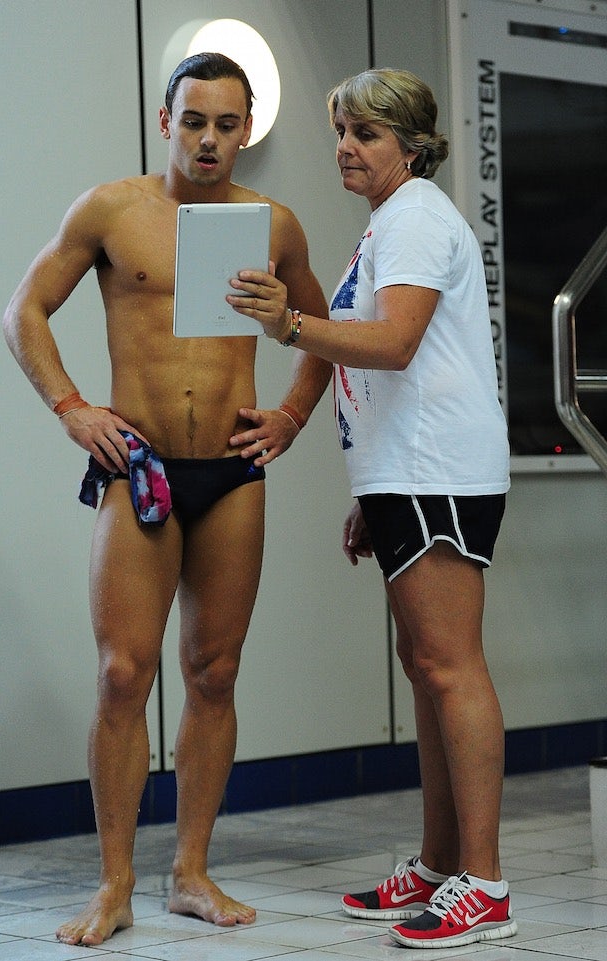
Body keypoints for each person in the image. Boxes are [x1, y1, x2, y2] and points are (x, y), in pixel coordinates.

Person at [2, 52, 327, 947]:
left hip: (230, 473)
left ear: (245, 130)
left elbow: (325, 326)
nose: (211, 139)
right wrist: (72, 407)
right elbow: (22, 311)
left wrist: (294, 414)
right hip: (137, 464)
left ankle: (189, 871)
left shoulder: (275, 226)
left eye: (229, 124)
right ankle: (114, 883)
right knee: (121, 673)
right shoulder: (112, 211)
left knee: (214, 673)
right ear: (165, 121)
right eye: (195, 121)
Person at [227, 68, 516, 950]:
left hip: (441, 472)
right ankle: (437, 864)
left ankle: (487, 886)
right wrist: (360, 474)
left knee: (450, 666)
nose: (347, 147)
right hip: (407, 473)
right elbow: (365, 346)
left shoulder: (420, 218)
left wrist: (289, 326)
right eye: (343, 130)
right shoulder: (387, 225)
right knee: (426, 667)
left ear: (411, 147)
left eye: (367, 134)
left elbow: (392, 342)